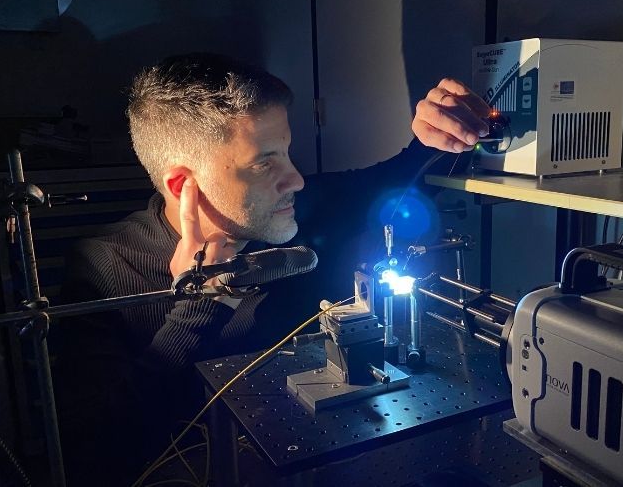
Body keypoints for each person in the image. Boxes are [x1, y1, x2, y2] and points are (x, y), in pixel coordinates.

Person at [51, 52, 491, 485]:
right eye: (265, 162)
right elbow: (100, 450)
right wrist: (202, 303)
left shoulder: (298, 212)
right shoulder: (103, 269)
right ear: (184, 185)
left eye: (286, 151)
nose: (296, 179)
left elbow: (404, 175)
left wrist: (440, 133)